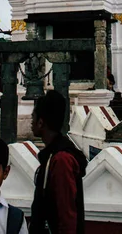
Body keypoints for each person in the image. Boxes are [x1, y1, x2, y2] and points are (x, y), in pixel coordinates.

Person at [30, 90, 87, 234]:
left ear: (41, 122)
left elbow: (66, 214)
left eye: (33, 118)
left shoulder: (61, 160)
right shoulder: (52, 155)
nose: (31, 122)